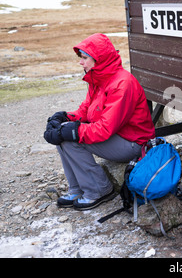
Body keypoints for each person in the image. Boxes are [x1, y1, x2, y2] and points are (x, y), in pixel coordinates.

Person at [44, 33, 155, 211]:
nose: (81, 62)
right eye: (81, 57)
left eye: (85, 58)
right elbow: (86, 110)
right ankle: (77, 189)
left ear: (99, 59)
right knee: (61, 133)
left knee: (70, 138)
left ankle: (99, 190)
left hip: (134, 143)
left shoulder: (122, 83)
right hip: (118, 136)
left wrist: (73, 131)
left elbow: (104, 128)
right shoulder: (98, 79)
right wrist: (64, 117)